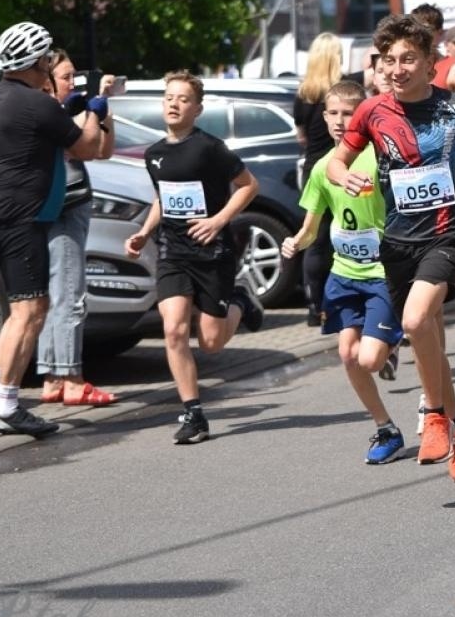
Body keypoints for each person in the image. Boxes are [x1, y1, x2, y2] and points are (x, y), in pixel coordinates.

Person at [327, 13, 455, 483]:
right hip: (397, 243)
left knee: (417, 321)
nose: (397, 69)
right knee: (428, 340)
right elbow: (337, 161)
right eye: (389, 60)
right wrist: (347, 174)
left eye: (408, 59)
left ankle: (436, 414)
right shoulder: (372, 111)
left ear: (429, 62)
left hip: (445, 236)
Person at [0, 23, 109, 437]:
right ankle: (9, 406)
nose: (50, 64)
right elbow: (86, 147)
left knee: (22, 310)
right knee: (32, 310)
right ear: (35, 63)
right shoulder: (36, 103)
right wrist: (95, 113)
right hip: (20, 219)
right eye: (47, 58)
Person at [124, 71, 264, 444]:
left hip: (212, 253)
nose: (173, 103)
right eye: (169, 97)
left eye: (183, 99)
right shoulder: (154, 154)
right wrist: (144, 232)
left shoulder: (209, 148)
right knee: (173, 329)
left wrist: (218, 220)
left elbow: (249, 185)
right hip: (173, 252)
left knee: (212, 343)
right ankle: (193, 413)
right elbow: (163, 198)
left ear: (197, 109)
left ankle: (239, 301)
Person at [281, 79, 407, 462]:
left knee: (369, 358)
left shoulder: (379, 155)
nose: (339, 121)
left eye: (348, 113)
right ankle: (385, 428)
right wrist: (295, 242)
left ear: (364, 116)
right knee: (348, 355)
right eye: (333, 113)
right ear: (323, 117)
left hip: (382, 274)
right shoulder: (323, 167)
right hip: (344, 273)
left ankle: (392, 340)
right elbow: (311, 226)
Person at [37, 50, 118, 407]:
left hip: (65, 205)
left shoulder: (66, 111)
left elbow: (103, 151)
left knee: (57, 293)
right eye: (67, 77)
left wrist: (103, 115)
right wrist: (89, 111)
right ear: (46, 80)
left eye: (75, 76)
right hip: (65, 206)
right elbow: (84, 152)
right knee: (70, 292)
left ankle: (54, 377)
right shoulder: (49, 113)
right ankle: (72, 378)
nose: (74, 83)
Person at [293, 32, 345, 327]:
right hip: (339, 166)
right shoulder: (343, 91)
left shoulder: (303, 94)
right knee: (342, 236)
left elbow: (301, 137)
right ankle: (338, 301)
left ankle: (314, 306)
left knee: (313, 238)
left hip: (312, 169)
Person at [410, 3, 455, 94]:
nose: (420, 35)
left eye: (426, 29)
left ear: (440, 33)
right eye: (415, 30)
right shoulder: (404, 68)